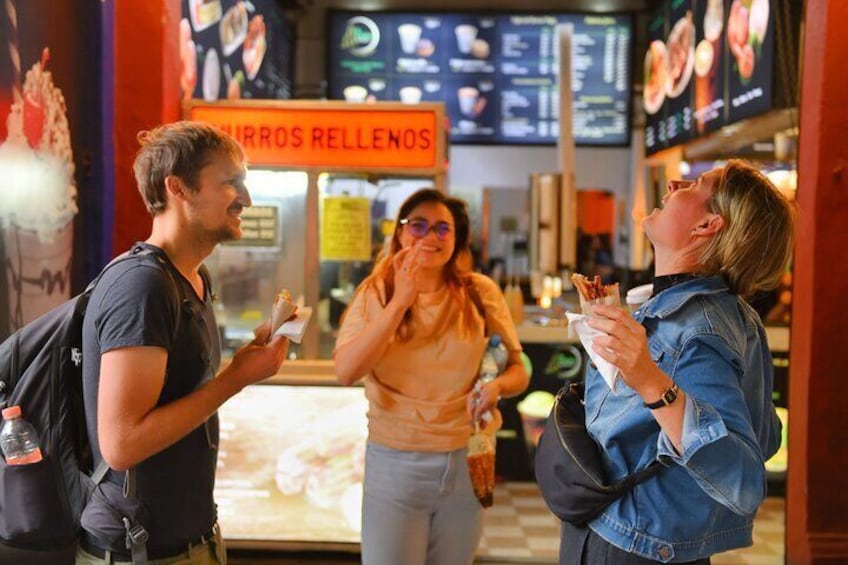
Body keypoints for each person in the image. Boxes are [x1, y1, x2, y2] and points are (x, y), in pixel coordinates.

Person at [554, 160, 795, 564]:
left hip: (632, 542)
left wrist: (650, 380)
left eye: (695, 183)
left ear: (707, 226)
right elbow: (765, 432)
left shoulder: (698, 327)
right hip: (651, 538)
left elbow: (742, 477)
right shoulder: (731, 313)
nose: (673, 182)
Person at [77, 122, 289, 564]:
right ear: (178, 188)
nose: (246, 199)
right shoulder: (143, 285)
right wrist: (235, 379)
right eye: (232, 182)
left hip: (192, 540)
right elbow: (122, 444)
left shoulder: (194, 277)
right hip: (138, 550)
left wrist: (244, 364)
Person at [334, 189, 530, 565]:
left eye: (443, 228)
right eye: (418, 225)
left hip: (466, 458)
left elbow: (518, 370)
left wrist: (497, 387)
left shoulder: (479, 292)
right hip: (395, 462)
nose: (430, 236)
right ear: (400, 234)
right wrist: (400, 302)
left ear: (457, 241)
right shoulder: (376, 293)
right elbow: (347, 371)